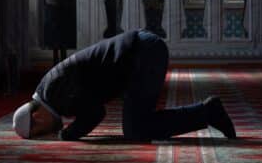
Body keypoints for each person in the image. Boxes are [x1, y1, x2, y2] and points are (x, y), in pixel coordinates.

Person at [13, 29, 237, 141]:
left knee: (136, 130)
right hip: (141, 54)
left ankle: (208, 112)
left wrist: (67, 135)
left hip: (143, 55)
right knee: (138, 126)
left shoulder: (54, 91)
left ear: (36, 118)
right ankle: (206, 113)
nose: (50, 133)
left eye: (41, 133)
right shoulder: (51, 91)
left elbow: (94, 113)